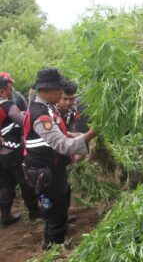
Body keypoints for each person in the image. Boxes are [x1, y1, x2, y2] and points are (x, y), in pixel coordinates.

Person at [22, 68, 97, 249]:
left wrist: (75, 134)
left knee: (58, 207)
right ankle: (55, 250)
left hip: (52, 169)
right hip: (45, 173)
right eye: (58, 89)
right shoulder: (41, 115)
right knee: (55, 213)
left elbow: (59, 135)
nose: (61, 93)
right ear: (45, 91)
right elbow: (61, 145)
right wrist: (90, 135)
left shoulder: (47, 109)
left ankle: (49, 243)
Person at [0, 73, 42, 227]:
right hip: (13, 151)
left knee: (5, 184)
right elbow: (23, 120)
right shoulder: (7, 106)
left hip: (1, 155)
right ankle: (34, 211)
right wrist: (32, 107)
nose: (12, 93)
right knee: (25, 181)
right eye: (10, 90)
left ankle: (5, 216)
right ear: (2, 92)